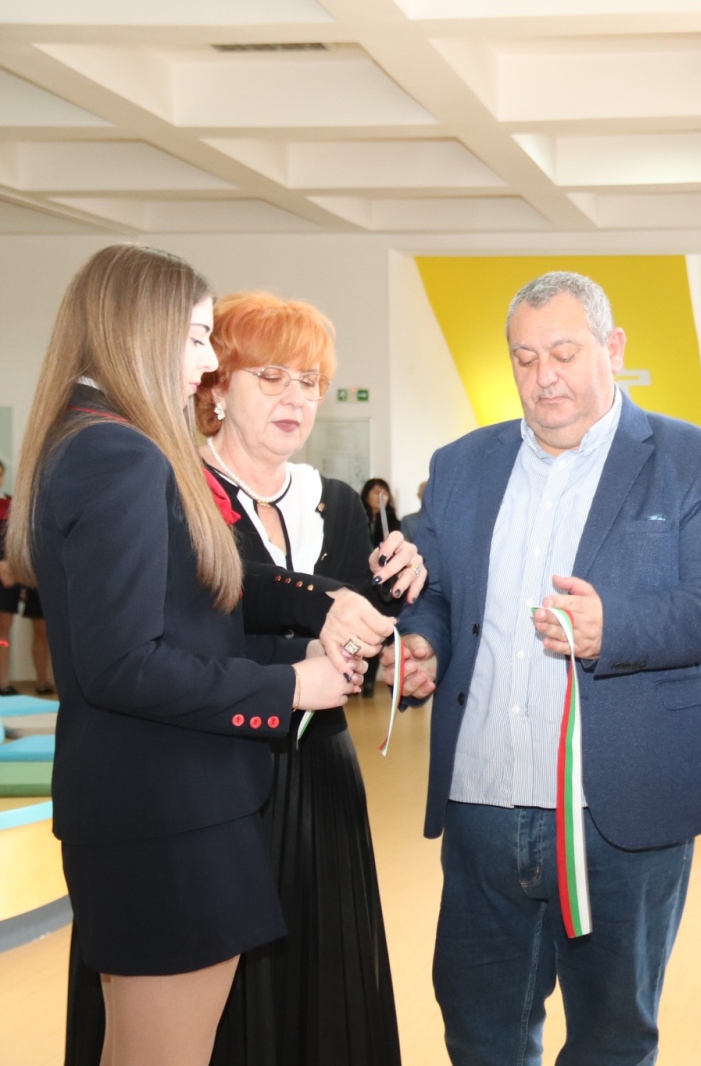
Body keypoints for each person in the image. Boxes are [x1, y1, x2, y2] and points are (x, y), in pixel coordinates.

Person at [382, 271, 701, 1064]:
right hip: (484, 799)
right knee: (480, 1032)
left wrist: (613, 627)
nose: (543, 376)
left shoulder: (691, 459)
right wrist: (422, 643)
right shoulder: (462, 464)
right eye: (525, 359)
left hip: (621, 807)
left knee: (612, 1038)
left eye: (563, 353)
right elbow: (437, 590)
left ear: (612, 348)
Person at [4, 243, 355, 1066]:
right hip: (168, 810)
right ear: (140, 328)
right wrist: (290, 684)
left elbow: (196, 595)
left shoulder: (92, 438)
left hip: (151, 802)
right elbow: (125, 663)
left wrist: (319, 607)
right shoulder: (119, 452)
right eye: (197, 338)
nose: (204, 363)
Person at [197, 292, 423, 1065]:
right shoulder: (176, 493)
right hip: (211, 769)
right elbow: (209, 614)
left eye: (309, 381)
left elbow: (359, 625)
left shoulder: (335, 502)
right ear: (216, 385)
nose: (294, 398)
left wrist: (399, 585)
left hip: (321, 771)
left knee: (324, 986)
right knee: (219, 1004)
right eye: (270, 377)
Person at [0, 457, 54, 698]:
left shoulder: (12, 506)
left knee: (3, 633)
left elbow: (21, 541)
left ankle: (4, 683)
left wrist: (14, 567)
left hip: (11, 577)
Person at [360, 477, 400, 549]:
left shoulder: (393, 522)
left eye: (385, 494)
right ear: (366, 496)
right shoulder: (357, 519)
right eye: (376, 493)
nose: (381, 497)